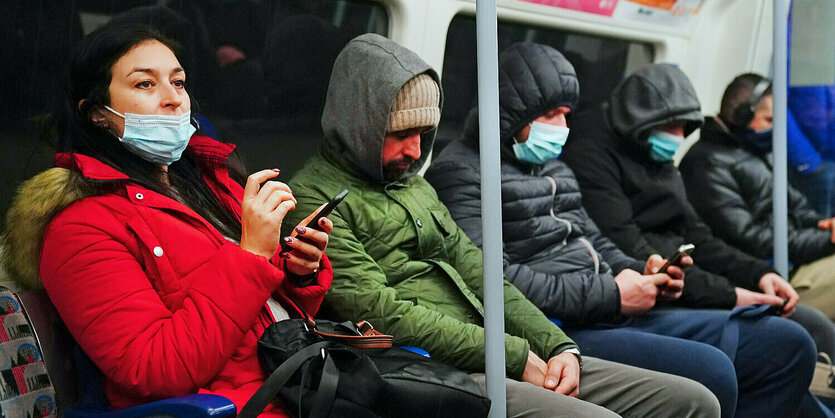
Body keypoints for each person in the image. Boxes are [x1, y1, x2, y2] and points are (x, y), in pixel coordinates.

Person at [286, 33, 720, 417]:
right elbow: (380, 311)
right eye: (399, 134)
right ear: (358, 126)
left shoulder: (414, 187)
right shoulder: (313, 198)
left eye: (425, 133)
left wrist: (555, 345)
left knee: (694, 401)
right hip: (422, 364)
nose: (416, 151)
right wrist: (513, 355)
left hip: (494, 347)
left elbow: (481, 271)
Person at [426, 42, 819, 418]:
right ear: (512, 113)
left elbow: (591, 240)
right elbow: (493, 281)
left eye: (566, 114)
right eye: (550, 116)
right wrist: (613, 293)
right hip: (560, 326)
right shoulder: (462, 173)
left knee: (787, 343)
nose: (563, 128)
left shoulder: (555, 168)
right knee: (713, 371)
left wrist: (640, 270)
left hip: (606, 305)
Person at [0, 25, 333, 416]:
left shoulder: (207, 183)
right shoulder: (79, 228)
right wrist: (253, 257)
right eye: (145, 84)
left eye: (178, 82)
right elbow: (152, 367)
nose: (173, 99)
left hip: (295, 381)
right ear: (96, 114)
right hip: (232, 405)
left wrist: (297, 272)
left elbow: (260, 317)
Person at [679, 73, 835, 322]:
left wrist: (822, 224)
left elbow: (795, 205)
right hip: (766, 275)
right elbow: (754, 239)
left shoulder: (756, 151)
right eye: (769, 120)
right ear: (742, 116)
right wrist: (827, 241)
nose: (774, 129)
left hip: (792, 259)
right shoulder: (706, 164)